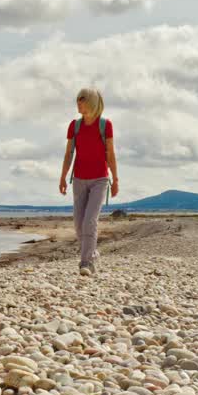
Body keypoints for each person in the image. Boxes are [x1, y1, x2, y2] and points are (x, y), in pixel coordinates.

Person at [59, 87, 119, 276]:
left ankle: (86, 263)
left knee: (90, 221)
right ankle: (92, 252)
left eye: (82, 99)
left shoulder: (105, 125)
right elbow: (69, 153)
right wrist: (62, 176)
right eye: (77, 100)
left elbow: (110, 153)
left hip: (100, 180)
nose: (78, 103)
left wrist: (115, 179)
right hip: (78, 179)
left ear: (92, 102)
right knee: (78, 223)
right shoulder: (74, 126)